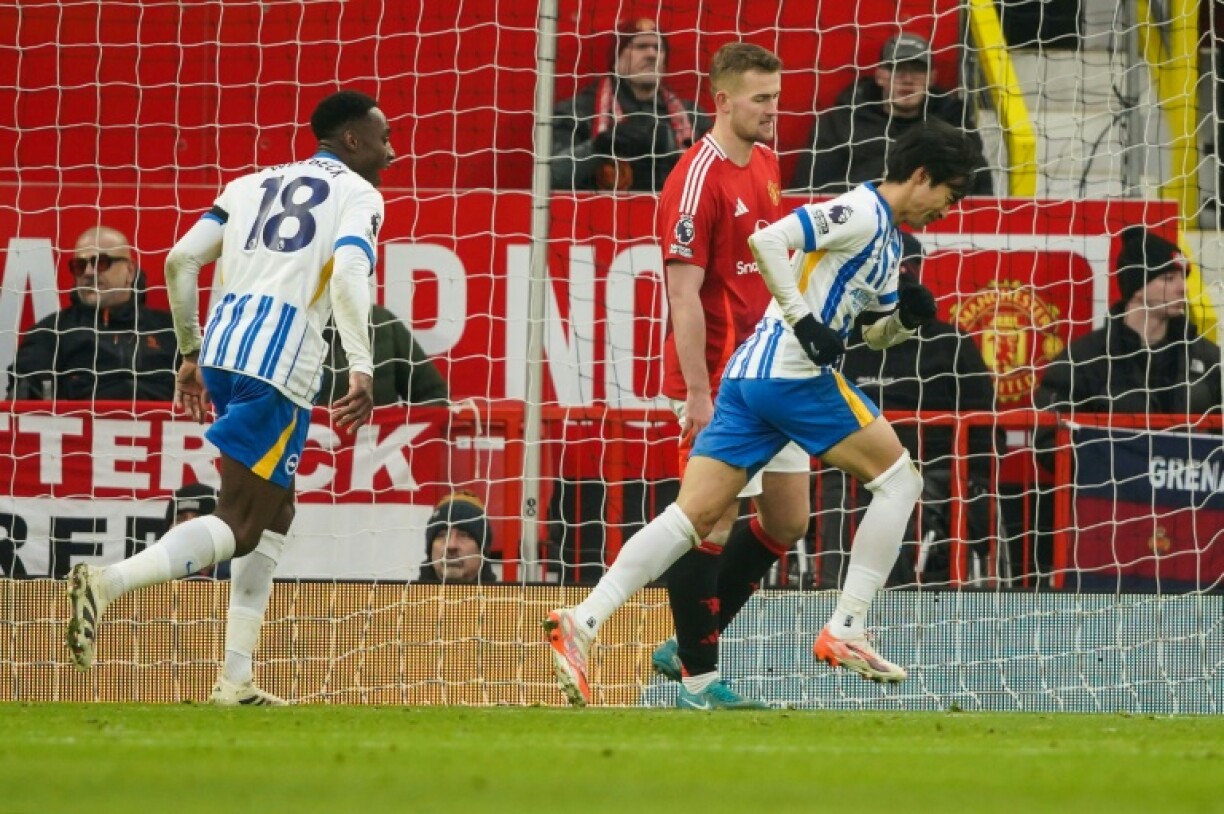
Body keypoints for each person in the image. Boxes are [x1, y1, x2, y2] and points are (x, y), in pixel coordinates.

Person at [545, 118, 981, 707]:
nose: (946, 212)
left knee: (691, 517)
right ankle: (847, 626)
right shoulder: (859, 210)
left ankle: (584, 620)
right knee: (899, 481)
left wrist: (905, 319)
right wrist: (804, 321)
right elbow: (768, 241)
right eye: (948, 197)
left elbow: (872, 336)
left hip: (749, 378)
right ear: (922, 176)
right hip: (791, 374)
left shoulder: (890, 243)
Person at [64, 89, 394, 708]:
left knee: (277, 511)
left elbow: (180, 260)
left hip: (223, 351)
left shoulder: (248, 184)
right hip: (281, 363)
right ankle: (108, 583)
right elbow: (351, 269)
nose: (392, 151)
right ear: (351, 140)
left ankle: (235, 679)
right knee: (241, 524)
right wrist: (362, 367)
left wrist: (189, 352)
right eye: (384, 137)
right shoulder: (359, 193)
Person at [643, 42, 810, 710]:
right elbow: (682, 297)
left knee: (788, 519)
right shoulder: (693, 180)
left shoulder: (767, 161)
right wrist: (696, 393)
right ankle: (700, 681)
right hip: (722, 380)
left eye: (777, 96)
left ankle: (688, 641)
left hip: (777, 366)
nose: (774, 110)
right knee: (708, 522)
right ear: (722, 100)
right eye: (761, 99)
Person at [823, 232, 1000, 587]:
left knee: (902, 493)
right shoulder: (840, 338)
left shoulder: (950, 343)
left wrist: (975, 479)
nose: (899, 277)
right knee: (839, 497)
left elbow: (984, 423)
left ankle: (891, 608)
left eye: (907, 268)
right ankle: (830, 600)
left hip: (929, 472)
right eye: (890, 269)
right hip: (848, 468)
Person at [1036, 226, 1222, 416]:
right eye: (1168, 278)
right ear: (1137, 288)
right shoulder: (1082, 360)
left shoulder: (1209, 359)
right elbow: (1049, 433)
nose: (1182, 287)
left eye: (1183, 278)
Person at [791, 33, 992, 196]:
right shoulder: (841, 121)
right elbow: (808, 189)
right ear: (880, 76)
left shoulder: (954, 123)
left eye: (917, 70)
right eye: (898, 69)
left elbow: (981, 188)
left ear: (932, 78)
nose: (907, 79)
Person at [7, 226, 178, 401]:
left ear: (130, 271)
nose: (88, 272)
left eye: (101, 262)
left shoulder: (173, 332)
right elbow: (20, 409)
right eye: (80, 266)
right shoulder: (49, 334)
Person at [551, 17, 711, 192]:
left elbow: (721, 177)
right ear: (616, 58)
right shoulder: (578, 111)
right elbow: (551, 175)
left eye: (659, 48)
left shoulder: (694, 117)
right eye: (641, 47)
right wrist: (598, 147)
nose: (652, 54)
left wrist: (671, 148)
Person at [317, 303, 448, 407]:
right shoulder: (297, 330)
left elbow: (434, 394)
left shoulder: (381, 322)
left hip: (384, 440)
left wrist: (402, 433)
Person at [414, 492, 497, 584]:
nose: (451, 545)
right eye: (442, 535)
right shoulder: (403, 597)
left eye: (464, 535)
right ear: (430, 550)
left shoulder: (505, 598)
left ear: (483, 550)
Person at [162, 482, 231, 580]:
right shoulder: (153, 581)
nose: (188, 527)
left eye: (199, 518)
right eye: (180, 518)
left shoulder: (241, 579)